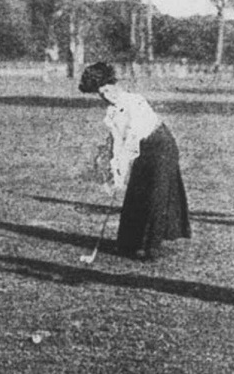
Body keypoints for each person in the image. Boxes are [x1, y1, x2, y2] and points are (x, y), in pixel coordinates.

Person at [78, 62, 191, 261]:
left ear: (114, 84)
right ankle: (128, 243)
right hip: (142, 149)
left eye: (106, 89)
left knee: (156, 196)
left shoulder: (134, 101)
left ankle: (151, 248)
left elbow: (133, 137)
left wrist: (124, 164)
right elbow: (117, 143)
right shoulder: (111, 113)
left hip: (161, 146)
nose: (105, 96)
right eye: (100, 93)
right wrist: (116, 171)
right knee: (136, 193)